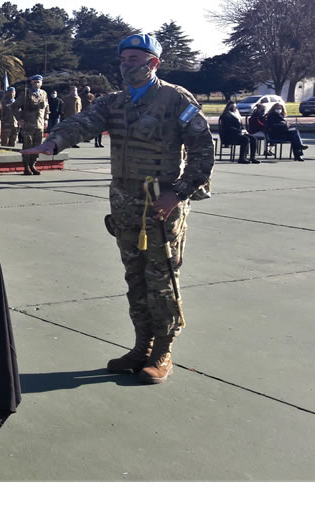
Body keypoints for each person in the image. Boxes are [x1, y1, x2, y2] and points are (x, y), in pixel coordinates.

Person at [22, 33, 214, 385]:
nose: (126, 66)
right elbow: (83, 122)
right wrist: (54, 142)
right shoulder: (115, 101)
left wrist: (178, 193)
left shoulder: (175, 99)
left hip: (160, 204)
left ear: (153, 63)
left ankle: (163, 351)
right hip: (125, 203)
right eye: (123, 59)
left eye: (134, 60)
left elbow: (203, 150)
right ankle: (142, 346)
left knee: (161, 278)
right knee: (134, 277)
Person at [17, 74, 49, 175]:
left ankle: (33, 164)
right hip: (28, 124)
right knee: (28, 145)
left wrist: (46, 119)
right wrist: (20, 119)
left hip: (39, 124)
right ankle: (26, 166)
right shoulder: (25, 93)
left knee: (37, 146)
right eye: (35, 82)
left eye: (38, 82)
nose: (37, 83)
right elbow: (15, 106)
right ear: (31, 82)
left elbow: (46, 107)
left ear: (41, 83)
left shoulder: (43, 93)